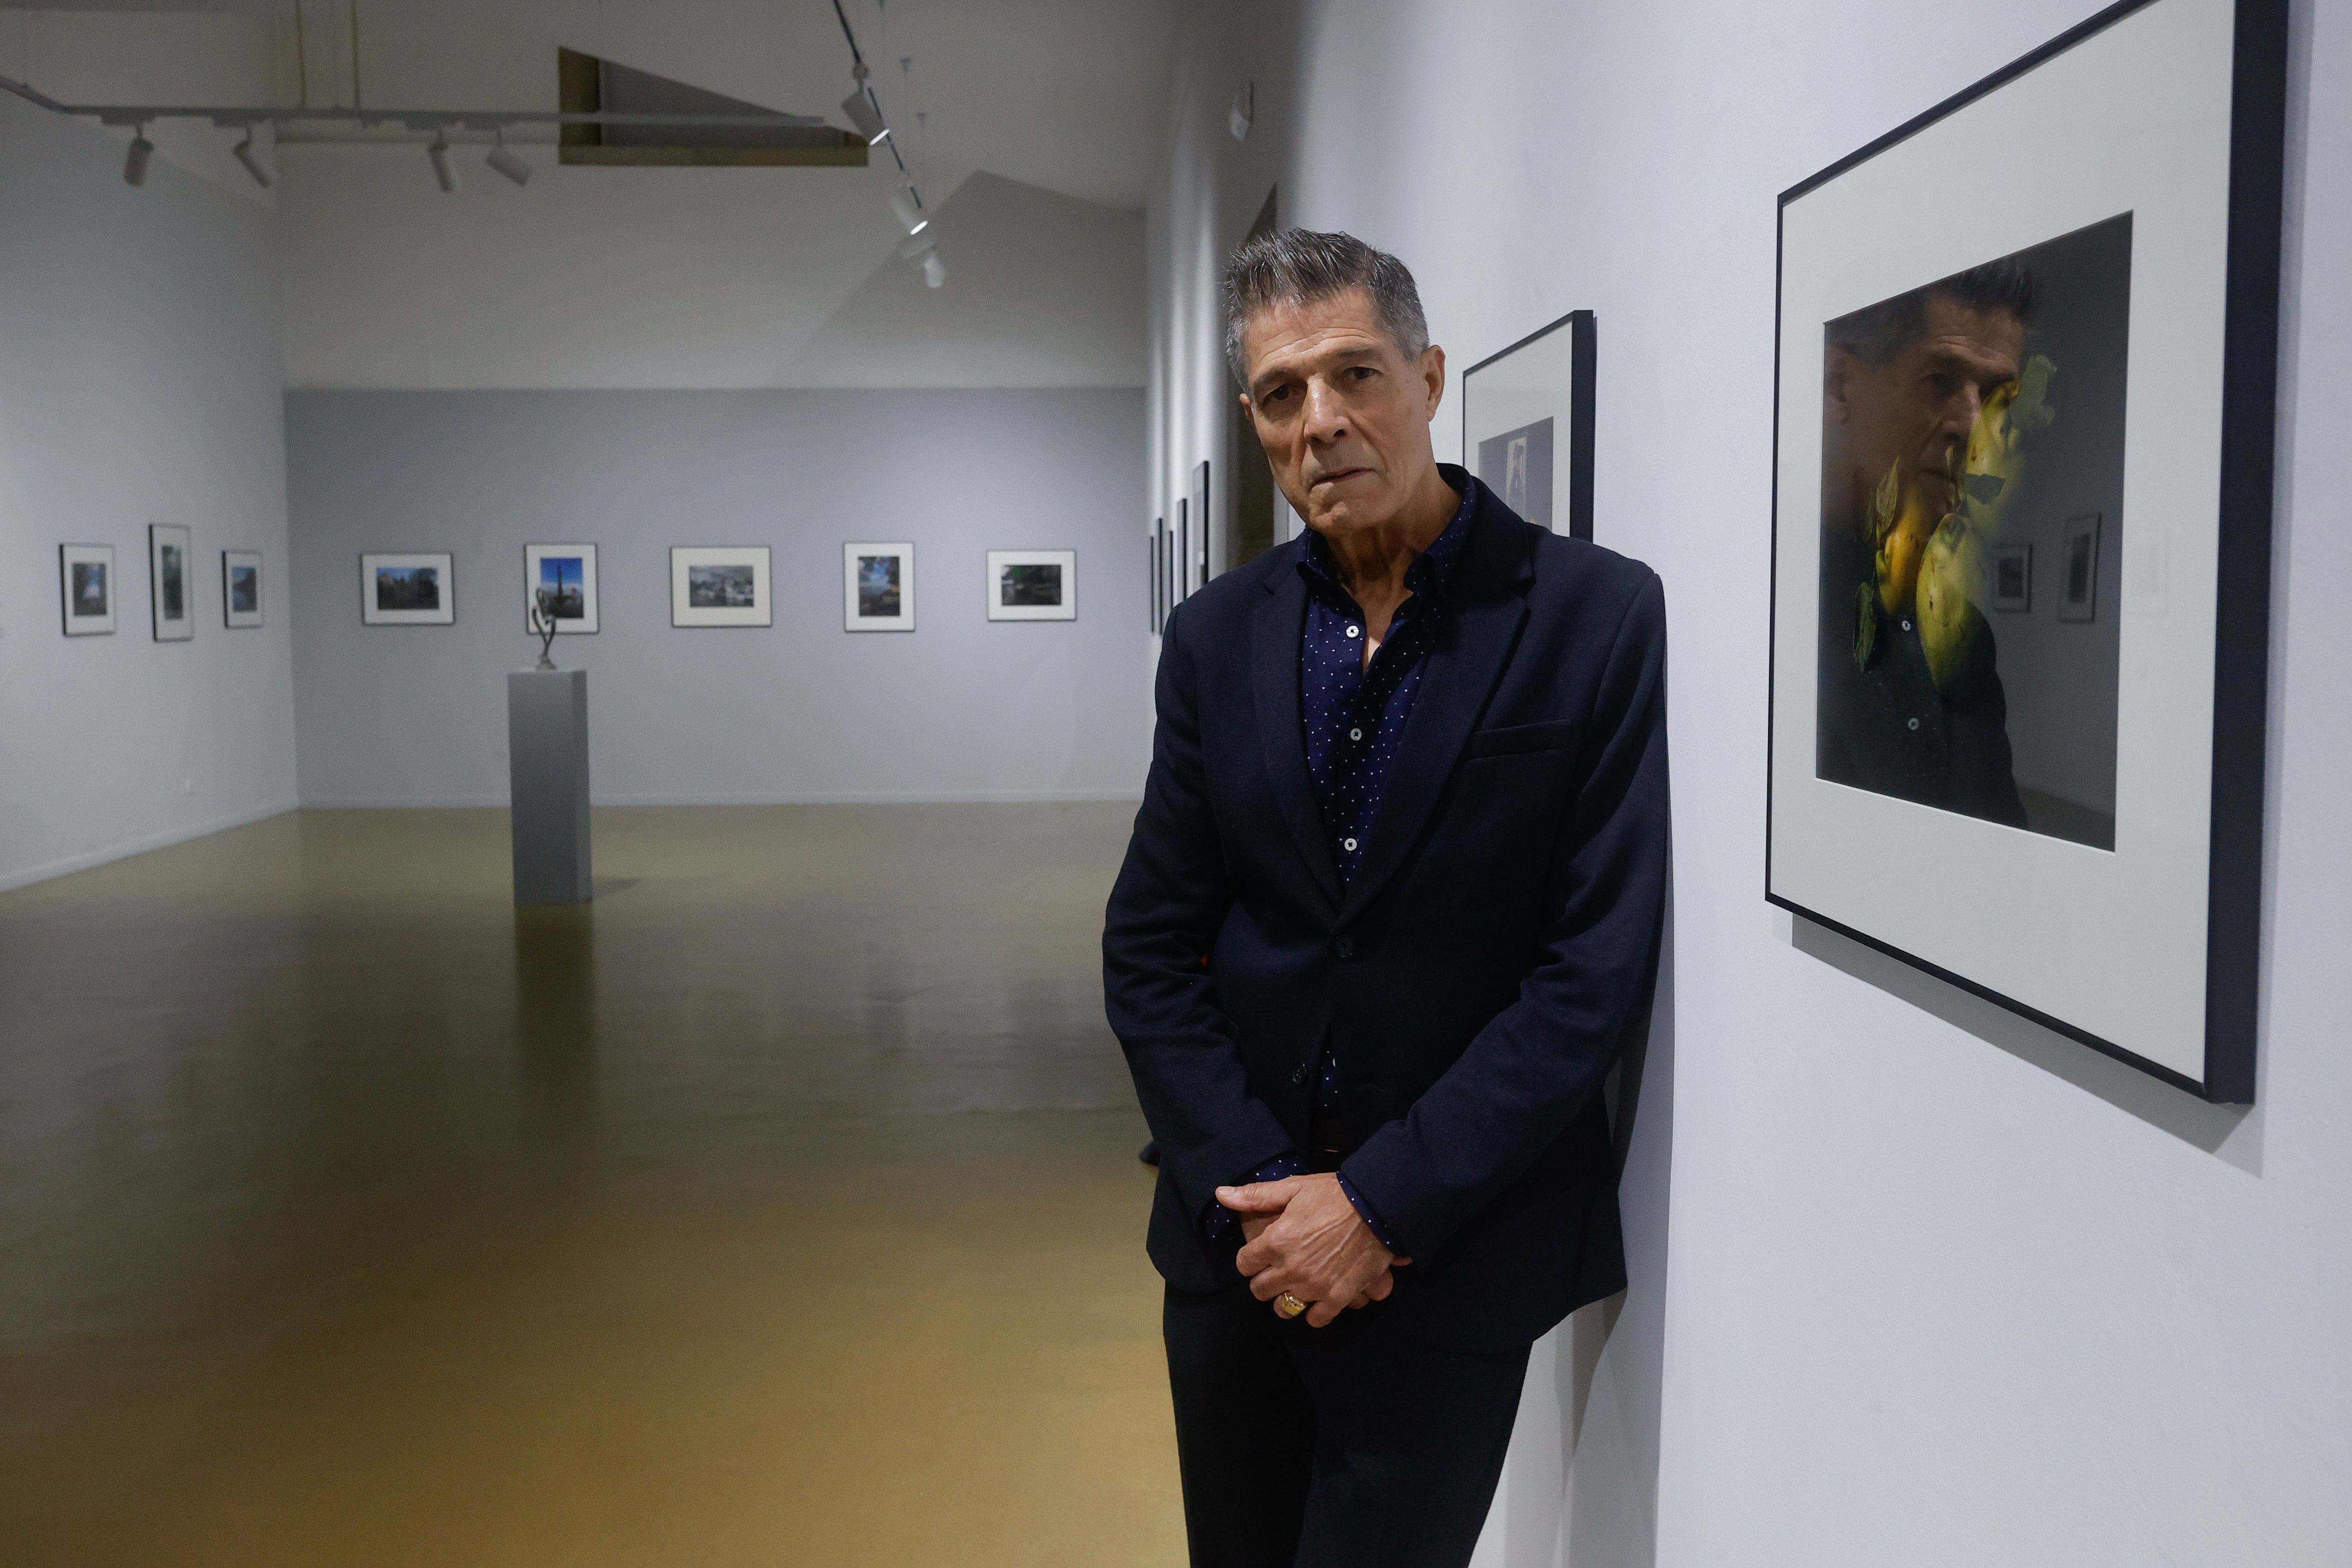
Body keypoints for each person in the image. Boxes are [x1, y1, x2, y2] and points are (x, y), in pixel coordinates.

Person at [1102, 230, 1669, 1568]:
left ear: (1427, 376)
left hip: (1447, 1256)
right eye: (1280, 394)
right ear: (1255, 420)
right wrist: (1261, 1193)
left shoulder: (1591, 615)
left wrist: (1376, 1205)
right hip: (1239, 1256)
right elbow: (1150, 944)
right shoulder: (1216, 635)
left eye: (1355, 373)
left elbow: (1589, 967)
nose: (1322, 421)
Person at [1816, 262, 2033, 826]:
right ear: (1840, 383)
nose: (1970, 426)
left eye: (1994, 400)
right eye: (1938, 381)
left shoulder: (1967, 641)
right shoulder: (1773, 613)